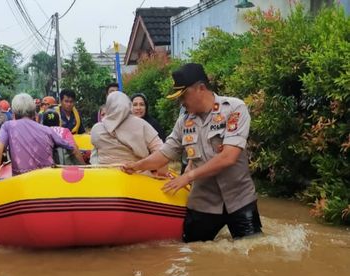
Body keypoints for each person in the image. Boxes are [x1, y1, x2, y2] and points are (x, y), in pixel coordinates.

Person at [124, 63, 262, 243]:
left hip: (240, 199)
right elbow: (165, 153)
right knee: (193, 255)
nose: (181, 101)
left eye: (183, 95)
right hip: (203, 203)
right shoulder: (184, 123)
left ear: (201, 89)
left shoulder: (234, 109)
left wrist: (188, 177)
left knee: (253, 253)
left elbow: (229, 157)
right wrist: (137, 166)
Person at [0, 93, 74, 177]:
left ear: (14, 111)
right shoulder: (47, 130)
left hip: (21, 180)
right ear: (33, 110)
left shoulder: (8, 126)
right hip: (47, 177)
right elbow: (71, 147)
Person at [90, 91, 165, 169]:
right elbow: (161, 151)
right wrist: (160, 172)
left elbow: (95, 154)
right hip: (136, 175)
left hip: (106, 176)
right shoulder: (141, 124)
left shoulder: (97, 129)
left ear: (108, 106)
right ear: (129, 105)